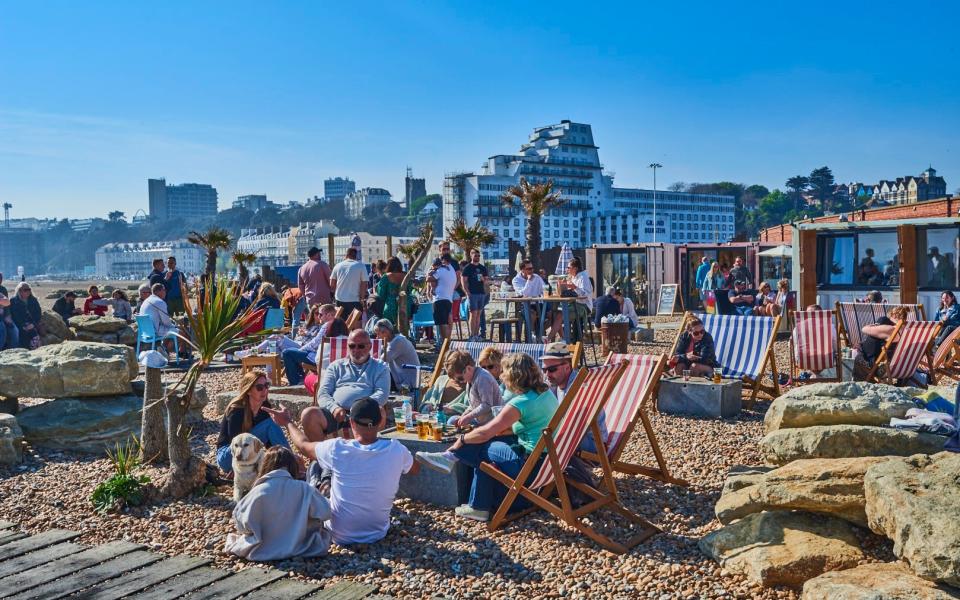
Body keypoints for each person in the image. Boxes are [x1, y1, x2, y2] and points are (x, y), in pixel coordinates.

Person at [415, 353, 558, 522]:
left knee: (484, 446)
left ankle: (453, 463)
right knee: (489, 444)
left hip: (530, 466)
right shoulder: (544, 393)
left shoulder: (520, 403)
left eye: (504, 373)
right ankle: (472, 495)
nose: (501, 377)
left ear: (513, 376)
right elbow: (528, 426)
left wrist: (461, 440)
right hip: (549, 462)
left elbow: (485, 432)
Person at [265, 397, 416, 545]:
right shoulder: (397, 450)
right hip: (377, 533)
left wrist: (288, 422)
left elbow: (303, 445)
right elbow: (415, 469)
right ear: (381, 423)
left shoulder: (337, 448)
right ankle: (325, 483)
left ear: (352, 423)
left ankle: (320, 488)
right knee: (330, 470)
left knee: (315, 466)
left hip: (338, 533)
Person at [224, 446, 332, 560]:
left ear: (265, 466)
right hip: (304, 547)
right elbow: (326, 512)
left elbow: (241, 526)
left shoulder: (255, 493)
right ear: (292, 467)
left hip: (261, 550)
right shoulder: (304, 489)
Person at [303, 329, 390, 440]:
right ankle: (320, 454)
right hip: (336, 414)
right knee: (308, 414)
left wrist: (360, 408)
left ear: (370, 347)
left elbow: (382, 393)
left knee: (380, 412)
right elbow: (323, 392)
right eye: (352, 346)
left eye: (361, 346)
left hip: (365, 414)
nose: (356, 350)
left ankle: (369, 453)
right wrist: (334, 408)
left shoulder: (380, 367)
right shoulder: (335, 366)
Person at [215, 370, 290, 473]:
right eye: (259, 387)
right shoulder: (237, 410)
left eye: (266, 385)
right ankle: (290, 461)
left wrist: (272, 460)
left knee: (270, 425)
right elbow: (237, 444)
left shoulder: (265, 408)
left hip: (249, 455)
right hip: (228, 457)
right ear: (249, 391)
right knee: (270, 424)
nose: (264, 390)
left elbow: (270, 443)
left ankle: (286, 463)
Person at [540, 342, 608, 453]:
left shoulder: (580, 387)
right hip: (573, 436)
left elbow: (574, 426)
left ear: (567, 367)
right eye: (544, 370)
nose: (547, 374)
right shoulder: (556, 385)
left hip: (593, 444)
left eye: (551, 370)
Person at [279, 311, 346, 386]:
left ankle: (296, 382)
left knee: (287, 353)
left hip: (323, 369)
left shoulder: (327, 341)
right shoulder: (350, 342)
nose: (319, 316)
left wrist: (302, 349)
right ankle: (299, 379)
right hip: (340, 374)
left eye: (320, 314)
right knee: (290, 352)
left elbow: (317, 358)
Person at [442, 350, 503, 427]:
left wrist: (468, 417)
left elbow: (487, 405)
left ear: (468, 369)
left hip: (492, 421)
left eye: (460, 378)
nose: (460, 382)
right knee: (453, 420)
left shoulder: (483, 378)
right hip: (480, 419)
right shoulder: (471, 379)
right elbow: (474, 405)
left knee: (453, 422)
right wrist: (464, 415)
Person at [549, 257, 593, 342]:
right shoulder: (573, 277)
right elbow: (571, 292)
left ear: (575, 268)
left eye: (569, 267)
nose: (567, 269)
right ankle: (563, 339)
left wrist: (574, 287)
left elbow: (585, 294)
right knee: (555, 314)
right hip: (574, 304)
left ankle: (550, 339)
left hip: (584, 306)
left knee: (560, 315)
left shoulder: (583, 277)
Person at [373, 319, 420, 392]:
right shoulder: (395, 340)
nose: (377, 337)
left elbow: (382, 361)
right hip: (403, 377)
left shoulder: (398, 342)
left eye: (378, 334)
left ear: (386, 332)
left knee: (376, 374)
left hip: (407, 382)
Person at [427, 253, 457, 349]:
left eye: (441, 260)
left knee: (442, 324)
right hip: (448, 299)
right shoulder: (451, 269)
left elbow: (428, 279)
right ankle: (447, 343)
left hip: (440, 299)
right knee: (445, 323)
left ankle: (445, 345)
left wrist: (429, 272)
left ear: (444, 260)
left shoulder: (441, 270)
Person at [139, 283, 179, 353]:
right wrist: (175, 326)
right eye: (164, 290)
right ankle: (167, 351)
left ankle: (163, 348)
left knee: (171, 330)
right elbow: (166, 322)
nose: (165, 292)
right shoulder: (159, 302)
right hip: (156, 331)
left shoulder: (146, 301)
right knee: (182, 334)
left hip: (146, 332)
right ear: (158, 291)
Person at [460, 249, 489, 341]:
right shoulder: (468, 267)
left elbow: (486, 280)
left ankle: (476, 335)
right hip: (472, 293)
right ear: (471, 255)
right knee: (473, 314)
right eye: (475, 255)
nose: (477, 257)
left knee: (478, 315)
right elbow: (463, 280)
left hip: (481, 293)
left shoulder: (482, 268)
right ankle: (472, 335)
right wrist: (467, 292)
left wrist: (484, 282)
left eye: (478, 255)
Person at [330, 248, 367, 316]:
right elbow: (364, 284)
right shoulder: (361, 266)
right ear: (356, 256)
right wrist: (362, 299)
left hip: (340, 300)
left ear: (346, 255)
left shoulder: (337, 266)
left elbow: (332, 284)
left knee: (340, 324)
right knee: (356, 324)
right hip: (355, 300)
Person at [375, 257, 412, 327]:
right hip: (405, 306)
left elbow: (381, 294)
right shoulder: (406, 275)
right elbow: (409, 291)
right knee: (404, 329)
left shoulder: (386, 277)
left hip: (390, 307)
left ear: (388, 265)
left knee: (389, 330)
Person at [9, 282, 42, 349]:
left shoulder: (33, 300)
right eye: (25, 290)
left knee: (35, 338)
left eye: (29, 289)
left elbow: (38, 314)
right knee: (21, 335)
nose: (28, 291)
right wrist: (22, 326)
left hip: (32, 324)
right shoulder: (13, 301)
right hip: (19, 324)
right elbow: (14, 315)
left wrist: (33, 324)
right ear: (19, 291)